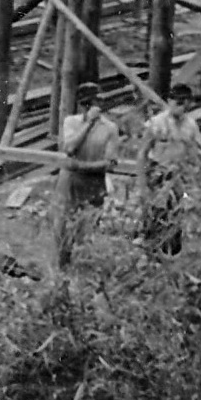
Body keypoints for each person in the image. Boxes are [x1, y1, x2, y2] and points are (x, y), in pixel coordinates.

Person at [53, 81, 122, 269]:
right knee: (63, 228)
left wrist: (81, 166)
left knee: (88, 228)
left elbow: (109, 162)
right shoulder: (71, 122)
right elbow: (69, 147)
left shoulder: (110, 128)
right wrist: (88, 124)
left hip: (93, 183)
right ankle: (63, 269)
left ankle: (83, 269)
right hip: (69, 181)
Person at [135, 99, 201, 255]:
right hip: (158, 172)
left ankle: (170, 251)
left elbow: (198, 145)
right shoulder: (156, 123)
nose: (178, 107)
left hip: (179, 174)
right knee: (156, 211)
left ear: (187, 105)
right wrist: (142, 181)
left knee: (176, 213)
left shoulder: (190, 125)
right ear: (170, 103)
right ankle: (148, 248)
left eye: (182, 104)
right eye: (175, 103)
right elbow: (142, 152)